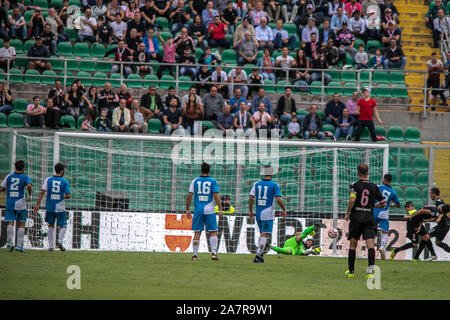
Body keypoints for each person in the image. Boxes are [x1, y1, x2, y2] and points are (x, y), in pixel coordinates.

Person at [344, 163, 386, 278]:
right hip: (369, 218)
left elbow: (352, 199)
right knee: (370, 245)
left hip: (356, 217)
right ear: (368, 172)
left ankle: (351, 272)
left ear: (357, 172)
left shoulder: (354, 185)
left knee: (353, 245)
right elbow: (383, 203)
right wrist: (373, 207)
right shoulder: (374, 186)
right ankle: (369, 273)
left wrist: (347, 212)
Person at [185, 162, 223, 261]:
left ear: (201, 170)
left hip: (198, 210)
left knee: (197, 232)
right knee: (213, 232)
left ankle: (194, 255)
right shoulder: (213, 181)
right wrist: (220, 208)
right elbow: (216, 195)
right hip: (210, 209)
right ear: (209, 170)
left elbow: (189, 195)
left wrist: (187, 209)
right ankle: (214, 254)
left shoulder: (195, 181)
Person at [249, 166, 287, 263]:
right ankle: (258, 255)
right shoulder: (274, 185)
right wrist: (283, 209)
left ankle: (260, 255)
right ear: (272, 173)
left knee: (262, 234)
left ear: (264, 173)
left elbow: (251, 198)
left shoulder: (256, 184)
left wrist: (250, 210)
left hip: (258, 212)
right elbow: (278, 199)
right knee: (264, 234)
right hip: (268, 212)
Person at [33, 163, 70, 250]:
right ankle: (60, 241)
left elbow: (42, 192)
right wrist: (61, 196)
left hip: (50, 206)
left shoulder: (48, 179)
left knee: (50, 225)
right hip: (60, 207)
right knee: (63, 225)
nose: (65, 171)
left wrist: (37, 204)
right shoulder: (64, 181)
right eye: (64, 170)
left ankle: (50, 246)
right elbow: (68, 195)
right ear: (61, 171)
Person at [0, 160, 32, 253]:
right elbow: (29, 185)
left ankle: (10, 243)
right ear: (23, 168)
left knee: (10, 222)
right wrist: (30, 194)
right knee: (21, 223)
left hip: (10, 202)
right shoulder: (25, 177)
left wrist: (6, 189)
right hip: (20, 202)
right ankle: (19, 245)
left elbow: (1, 188)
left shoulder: (9, 176)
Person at [373, 174, 400, 260]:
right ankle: (382, 247)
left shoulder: (377, 187)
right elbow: (398, 205)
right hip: (384, 212)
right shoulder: (393, 192)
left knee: (370, 229)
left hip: (374, 210)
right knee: (385, 232)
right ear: (391, 180)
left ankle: (370, 247)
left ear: (384, 179)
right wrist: (392, 204)